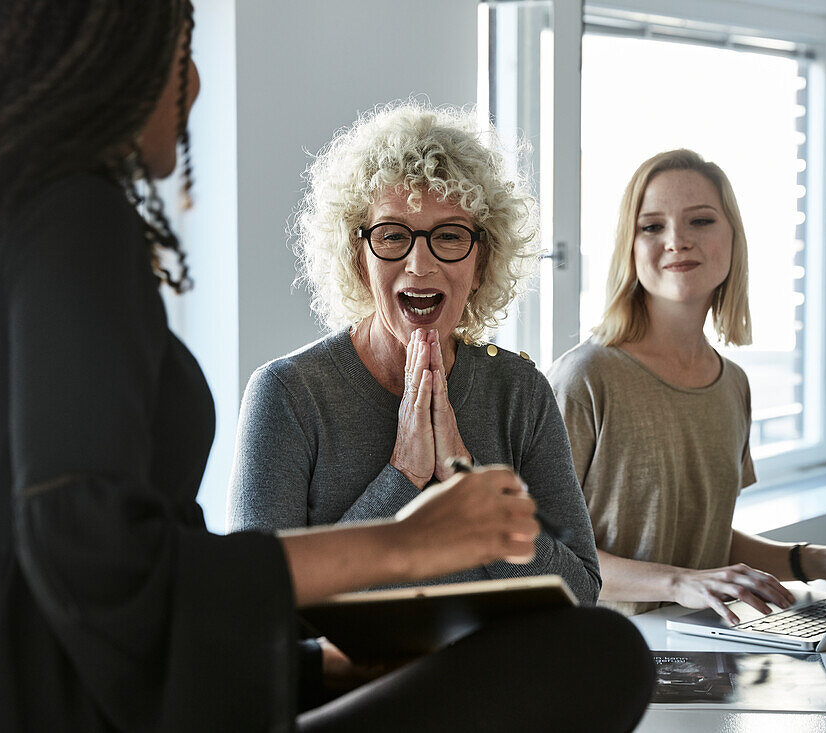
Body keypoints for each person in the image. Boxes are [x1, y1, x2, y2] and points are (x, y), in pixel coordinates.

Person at [0, 3, 652, 731]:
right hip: (34, 698)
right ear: (103, 49)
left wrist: (327, 668)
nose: (190, 82)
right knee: (602, 659)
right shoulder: (73, 221)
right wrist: (410, 537)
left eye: (450, 236)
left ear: (482, 256)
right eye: (180, 41)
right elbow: (94, 557)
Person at [227, 103, 601, 606]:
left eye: (449, 235)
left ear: (482, 257)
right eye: (392, 235)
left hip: (491, 672)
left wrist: (463, 472)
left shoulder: (519, 390)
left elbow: (580, 591)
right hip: (350, 681)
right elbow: (252, 607)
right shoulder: (288, 394)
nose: (419, 263)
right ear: (358, 257)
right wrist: (402, 476)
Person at [547, 149, 826, 621]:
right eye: (652, 226)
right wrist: (676, 581)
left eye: (700, 221)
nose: (677, 240)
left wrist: (816, 561)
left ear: (733, 239)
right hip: (602, 647)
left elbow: (702, 536)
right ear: (630, 247)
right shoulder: (585, 377)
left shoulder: (732, 385)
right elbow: (536, 550)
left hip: (700, 641)